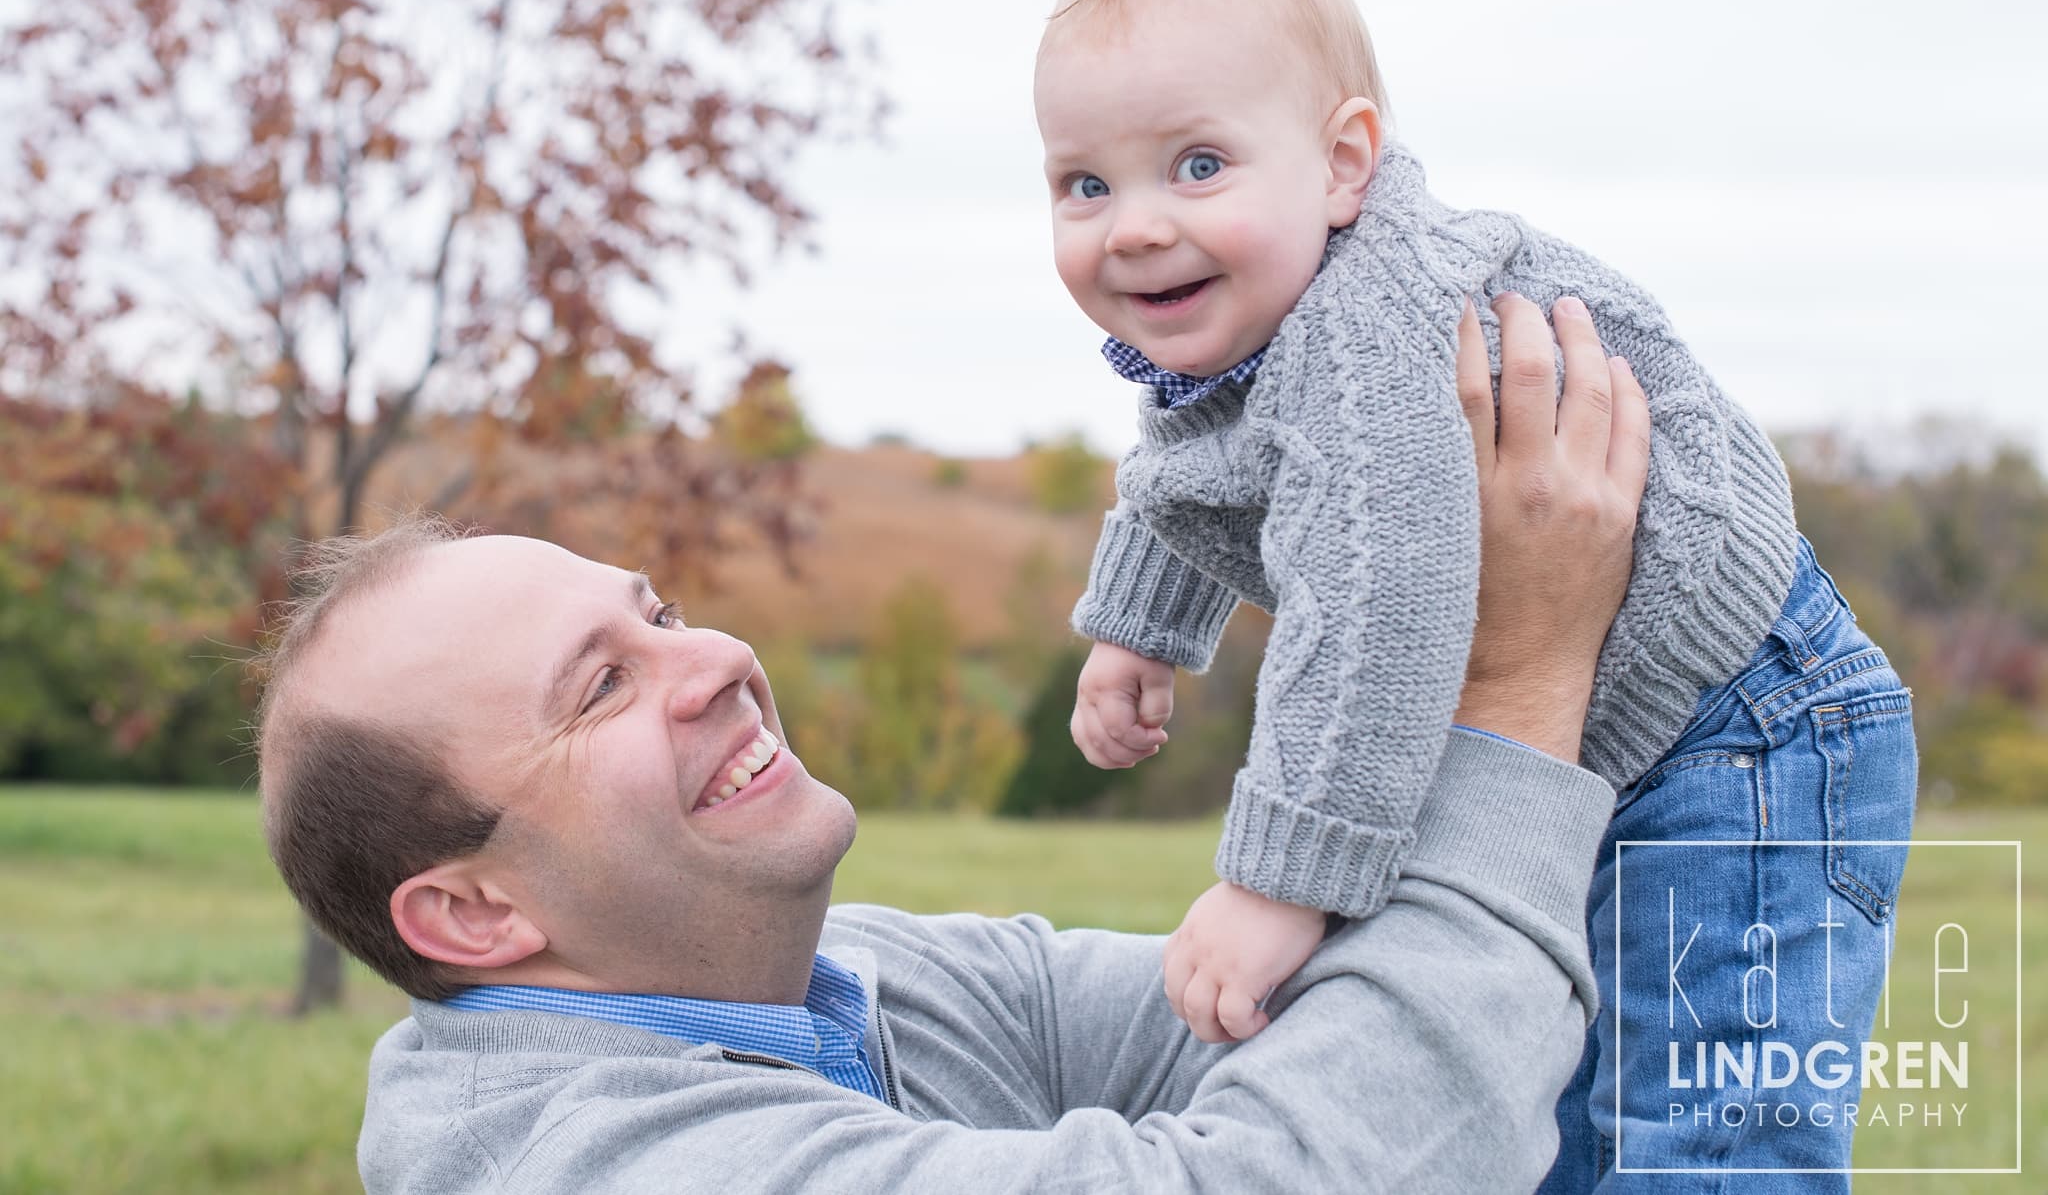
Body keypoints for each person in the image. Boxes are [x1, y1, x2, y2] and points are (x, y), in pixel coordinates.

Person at [257, 308, 1641, 1193]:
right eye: (599, 688)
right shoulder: (603, 1166)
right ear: (472, 911)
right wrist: (1516, 690)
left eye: (659, 610)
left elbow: (1308, 1030)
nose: (720, 658)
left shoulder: (855, 980)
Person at [1034, 0, 1918, 1189]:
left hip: (1740, 721)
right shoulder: (1258, 332)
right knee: (1535, 1108)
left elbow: (1379, 604)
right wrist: (1140, 627)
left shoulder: (1365, 343)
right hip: (1593, 732)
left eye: (1197, 165)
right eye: (1085, 184)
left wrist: (1276, 884)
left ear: (1344, 165)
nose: (1130, 226)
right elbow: (1199, 461)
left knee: (1703, 1137)